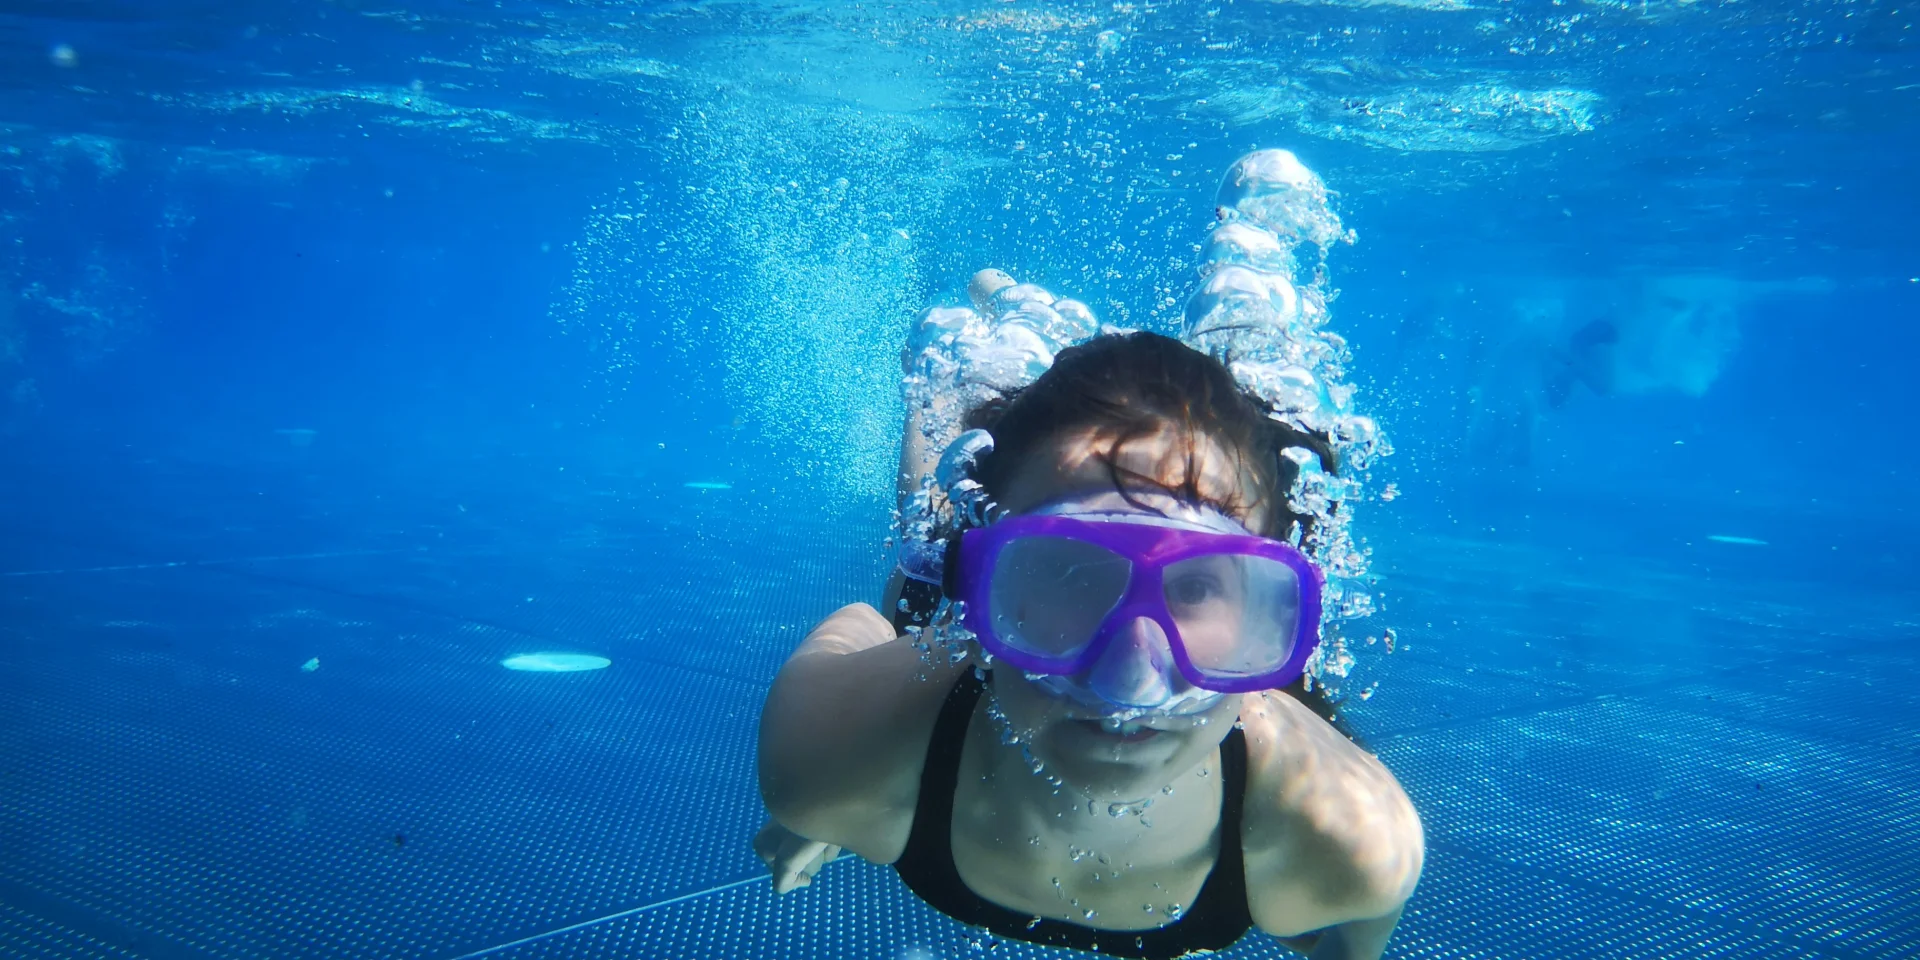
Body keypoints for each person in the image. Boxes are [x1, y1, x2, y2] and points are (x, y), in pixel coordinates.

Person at [754, 325, 1424, 959]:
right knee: (922, 552)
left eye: (1193, 591)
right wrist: (817, 809)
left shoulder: (1351, 846)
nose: (1129, 685)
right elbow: (857, 626)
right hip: (936, 670)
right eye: (1069, 572)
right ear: (988, 590)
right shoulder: (826, 761)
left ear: (1270, 614)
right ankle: (938, 393)